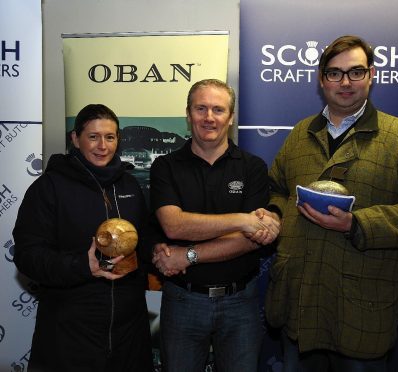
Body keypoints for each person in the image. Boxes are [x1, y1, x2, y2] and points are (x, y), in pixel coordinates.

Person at [264, 35, 398, 372]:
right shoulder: (300, 133)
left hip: (360, 313)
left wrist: (357, 224)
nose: (345, 82)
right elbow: (275, 190)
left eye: (355, 72)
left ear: (372, 75)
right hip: (300, 307)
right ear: (321, 80)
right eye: (335, 73)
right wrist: (278, 217)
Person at [148, 78, 280, 372]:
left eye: (218, 110)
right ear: (188, 114)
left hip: (240, 303)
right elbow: (174, 226)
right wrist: (242, 220)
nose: (209, 117)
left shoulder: (252, 167)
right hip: (183, 299)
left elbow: (252, 238)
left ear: (230, 118)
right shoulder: (165, 166)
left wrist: (188, 255)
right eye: (201, 108)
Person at [13, 104, 154, 372]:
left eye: (110, 137)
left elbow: (144, 240)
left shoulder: (130, 186)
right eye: (93, 136)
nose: (102, 146)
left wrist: (157, 252)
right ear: (75, 139)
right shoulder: (49, 188)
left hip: (129, 334)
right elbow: (27, 255)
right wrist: (82, 265)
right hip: (70, 334)